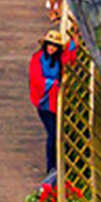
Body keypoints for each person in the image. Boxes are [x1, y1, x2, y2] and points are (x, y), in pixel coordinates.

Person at [28, 28, 76, 174]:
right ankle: (51, 166)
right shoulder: (37, 59)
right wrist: (54, 84)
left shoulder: (58, 60)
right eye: (50, 45)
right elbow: (36, 79)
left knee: (58, 132)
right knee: (53, 133)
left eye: (55, 46)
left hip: (56, 101)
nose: (51, 48)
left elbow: (70, 57)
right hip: (44, 102)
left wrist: (74, 39)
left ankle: (58, 165)